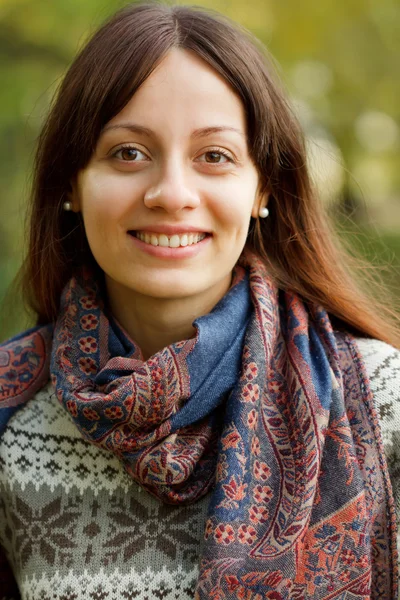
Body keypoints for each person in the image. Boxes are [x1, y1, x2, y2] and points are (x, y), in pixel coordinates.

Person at [0, 3, 399, 599]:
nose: (171, 194)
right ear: (70, 185)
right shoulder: (12, 418)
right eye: (128, 153)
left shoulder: (383, 400)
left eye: (214, 156)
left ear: (263, 186)